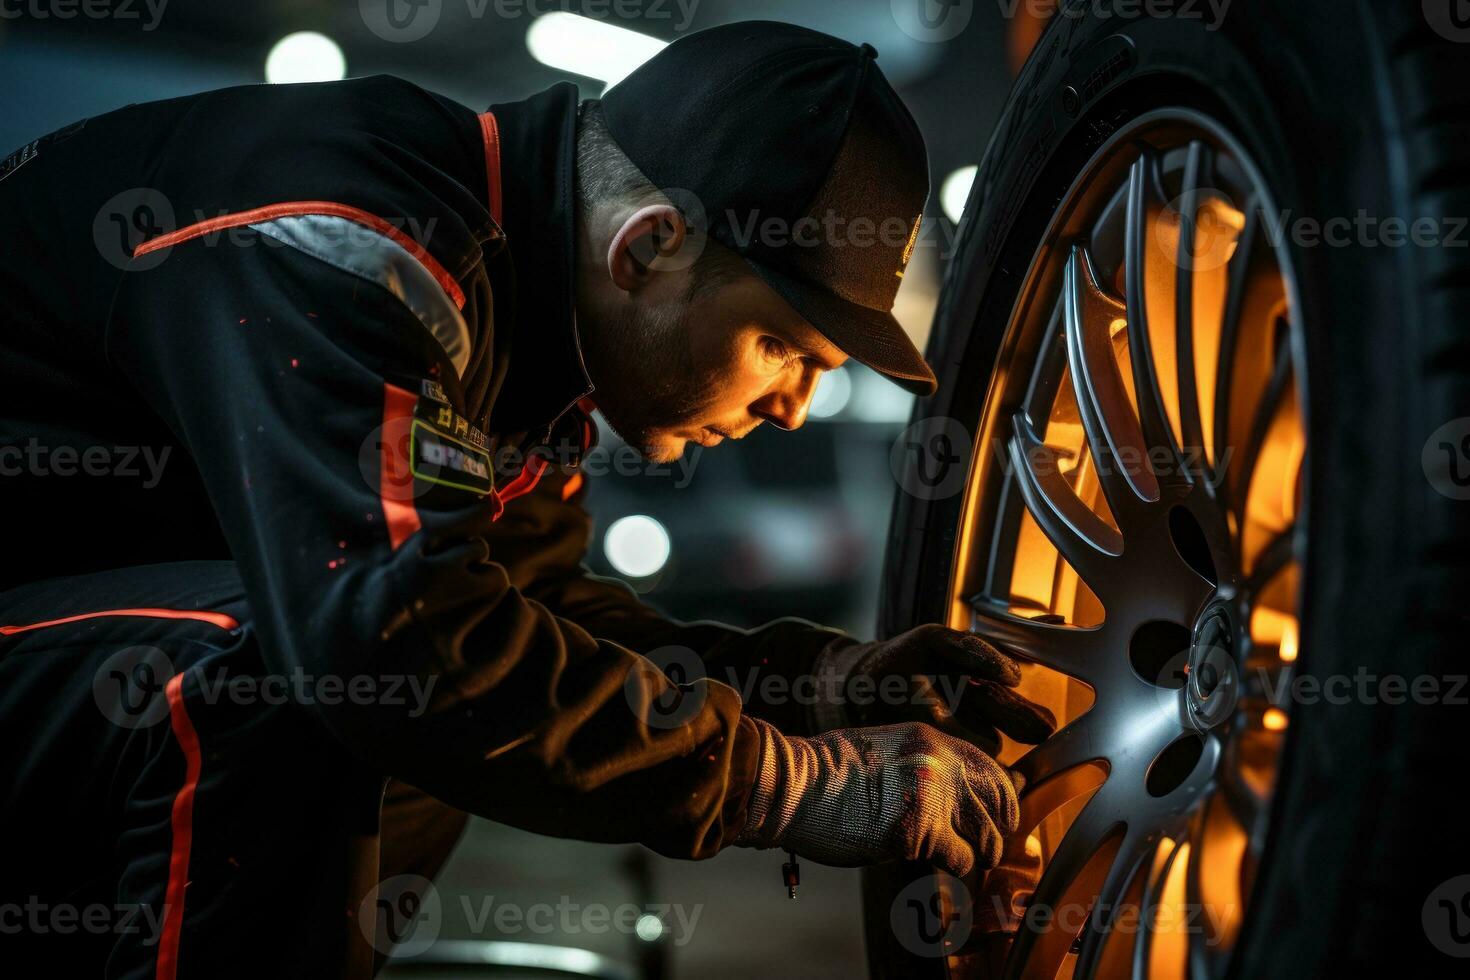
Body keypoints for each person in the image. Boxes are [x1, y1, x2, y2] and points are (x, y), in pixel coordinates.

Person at [0, 21, 1053, 977]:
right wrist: (792, 785)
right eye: (781, 344)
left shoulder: (529, 313)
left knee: (430, 696)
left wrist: (814, 687)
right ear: (645, 246)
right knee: (315, 677)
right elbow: (396, 638)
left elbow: (535, 620)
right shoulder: (357, 237)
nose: (792, 407)